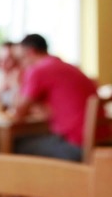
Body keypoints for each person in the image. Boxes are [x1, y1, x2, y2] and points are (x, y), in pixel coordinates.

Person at [12, 33, 100, 162]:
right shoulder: (68, 66)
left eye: (21, 59)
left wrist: (17, 81)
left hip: (75, 145)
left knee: (14, 145)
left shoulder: (38, 70)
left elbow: (19, 113)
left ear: (30, 52)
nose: (21, 65)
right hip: (99, 143)